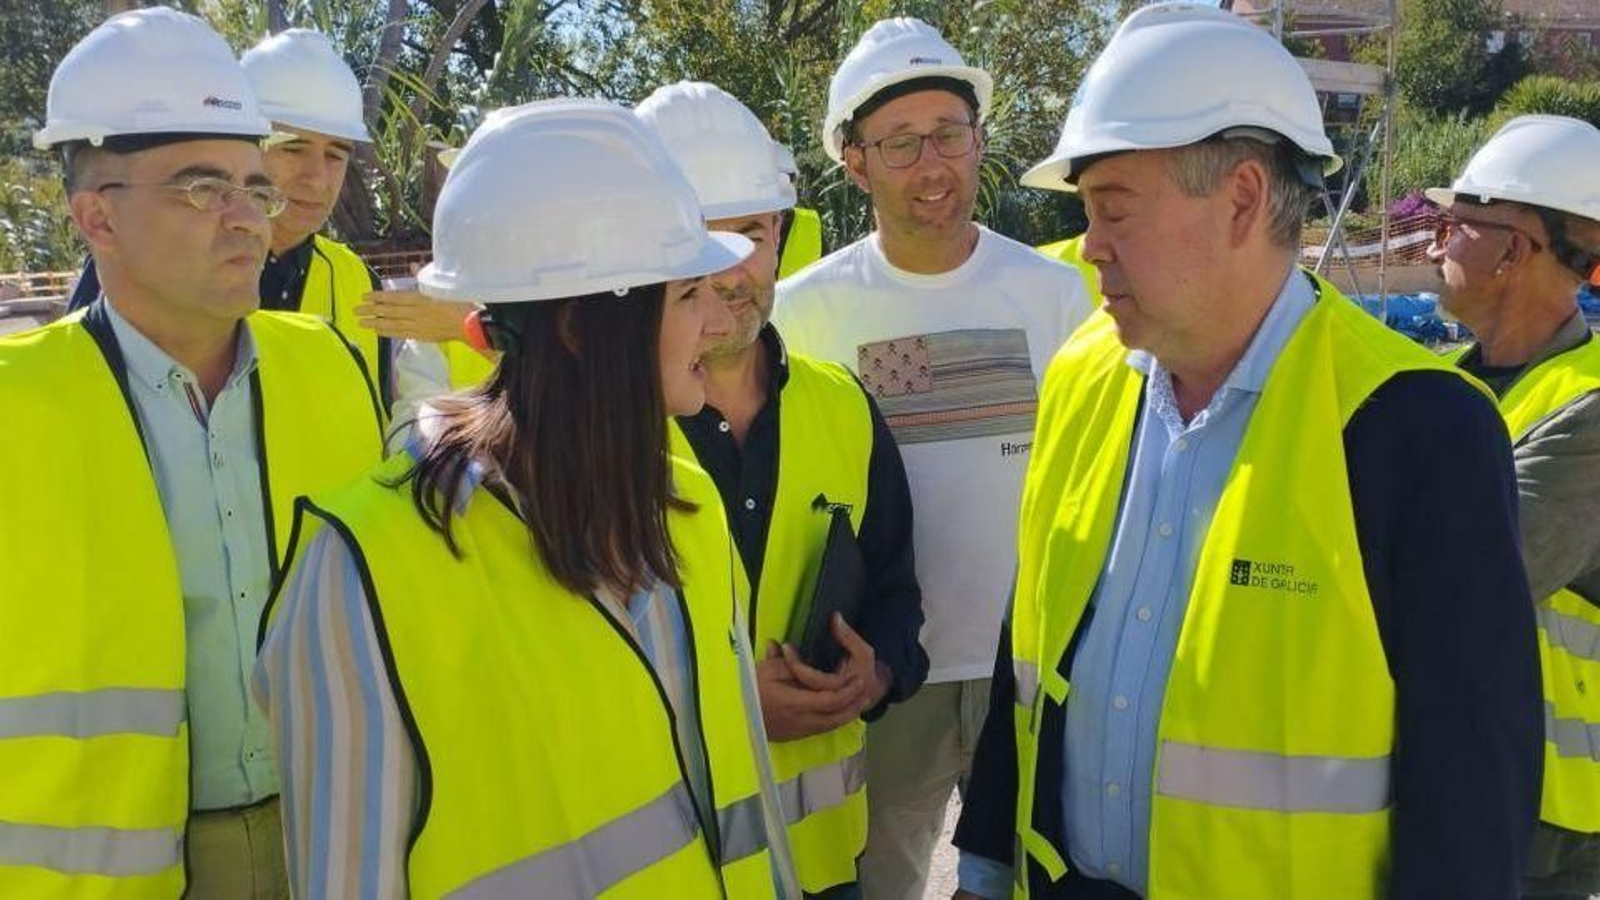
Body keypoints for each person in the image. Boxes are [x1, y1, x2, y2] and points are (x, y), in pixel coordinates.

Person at [953, 5, 1542, 898]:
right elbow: (1025, 658)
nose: (1091, 247)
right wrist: (984, 869)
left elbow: (1472, 787)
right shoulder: (1081, 376)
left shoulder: (1418, 428)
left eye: (1114, 212)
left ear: (1240, 199)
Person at [256, 99, 796, 897]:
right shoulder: (360, 570)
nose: (717, 319)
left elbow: (747, 812)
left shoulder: (687, 505)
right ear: (580, 327)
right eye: (686, 295)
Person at [1, 9, 384, 897]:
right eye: (202, 188)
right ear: (96, 215)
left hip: (332, 833)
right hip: (103, 871)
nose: (247, 218)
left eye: (257, 189)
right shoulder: (19, 402)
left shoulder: (328, 368)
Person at [774, 18, 1092, 898]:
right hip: (883, 673)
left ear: (980, 141)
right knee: (881, 884)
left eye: (950, 135)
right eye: (901, 143)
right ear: (855, 161)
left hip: (1024, 670)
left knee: (1028, 878)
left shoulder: (1057, 293)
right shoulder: (805, 314)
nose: (932, 164)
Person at [637, 80, 929, 898]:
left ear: (782, 237)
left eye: (752, 233)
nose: (729, 269)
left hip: (824, 863)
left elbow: (897, 591)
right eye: (696, 239)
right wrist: (725, 710)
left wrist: (873, 677)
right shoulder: (599, 438)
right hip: (673, 871)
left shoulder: (843, 407)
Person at [1425, 114, 1600, 900]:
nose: (1433, 244)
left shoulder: (1590, 409)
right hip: (1460, 774)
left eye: (1455, 224)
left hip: (1547, 815)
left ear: (1514, 251)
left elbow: (1463, 578)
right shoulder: (1444, 386)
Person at [66, 28, 390, 394]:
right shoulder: (149, 266)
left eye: (335, 154)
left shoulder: (359, 283)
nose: (317, 178)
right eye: (293, 148)